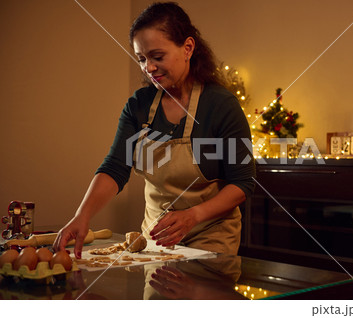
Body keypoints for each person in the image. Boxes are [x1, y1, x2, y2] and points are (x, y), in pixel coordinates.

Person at [53, 2, 255, 258]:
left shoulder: (221, 105)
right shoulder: (138, 106)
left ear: (188, 48)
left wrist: (192, 216)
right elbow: (116, 167)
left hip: (210, 244)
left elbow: (244, 181)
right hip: (154, 244)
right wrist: (82, 215)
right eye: (141, 59)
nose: (148, 68)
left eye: (157, 57)